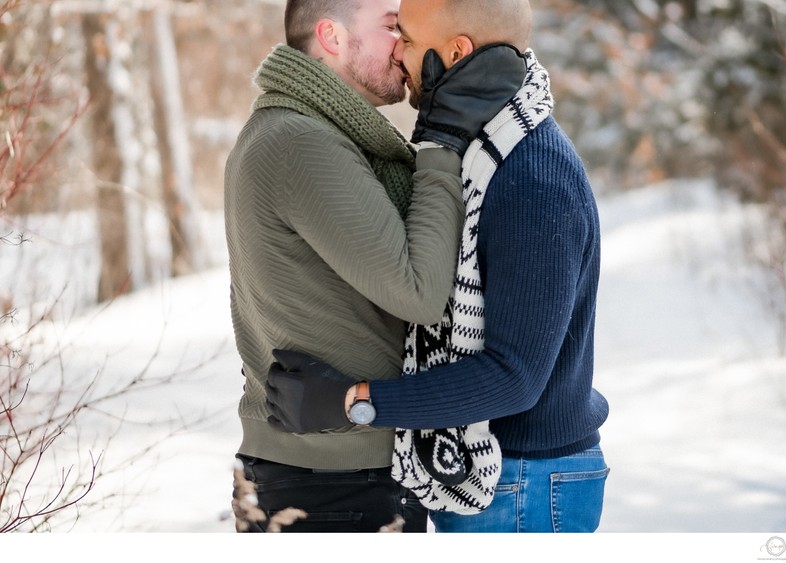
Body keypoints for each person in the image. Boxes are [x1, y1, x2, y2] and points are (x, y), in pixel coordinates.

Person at [266, 0, 611, 533]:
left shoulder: (531, 173)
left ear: (455, 52)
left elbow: (514, 377)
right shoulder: (483, 150)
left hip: (525, 486)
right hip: (488, 476)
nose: (398, 54)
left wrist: (354, 402)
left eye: (405, 37)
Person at [223, 0, 523, 532]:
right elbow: (419, 291)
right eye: (391, 27)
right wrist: (442, 141)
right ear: (332, 37)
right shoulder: (301, 143)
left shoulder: (310, 134)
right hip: (332, 480)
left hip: (329, 468)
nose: (404, 43)